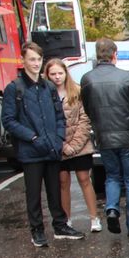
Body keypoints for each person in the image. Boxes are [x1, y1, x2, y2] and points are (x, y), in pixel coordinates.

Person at [2, 42, 84, 247]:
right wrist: (32, 138)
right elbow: (9, 120)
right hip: (31, 150)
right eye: (32, 59)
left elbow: (59, 115)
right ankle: (37, 230)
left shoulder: (48, 86)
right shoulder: (14, 88)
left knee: (55, 190)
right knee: (33, 193)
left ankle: (60, 225)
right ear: (23, 61)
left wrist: (58, 138)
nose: (36, 63)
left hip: (52, 148)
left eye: (39, 59)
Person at [80, 38, 129, 236]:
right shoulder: (127, 78)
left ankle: (111, 208)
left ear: (97, 55)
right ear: (114, 54)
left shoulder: (87, 79)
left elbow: (88, 108)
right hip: (128, 137)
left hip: (104, 137)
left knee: (112, 177)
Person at [43, 58, 99, 233]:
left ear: (66, 73)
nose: (57, 77)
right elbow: (45, 123)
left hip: (79, 145)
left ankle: (94, 217)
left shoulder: (77, 91)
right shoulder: (44, 94)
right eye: (53, 74)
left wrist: (73, 145)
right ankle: (66, 219)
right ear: (47, 75)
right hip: (58, 146)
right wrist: (61, 144)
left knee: (84, 179)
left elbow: (85, 119)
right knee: (62, 182)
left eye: (60, 73)